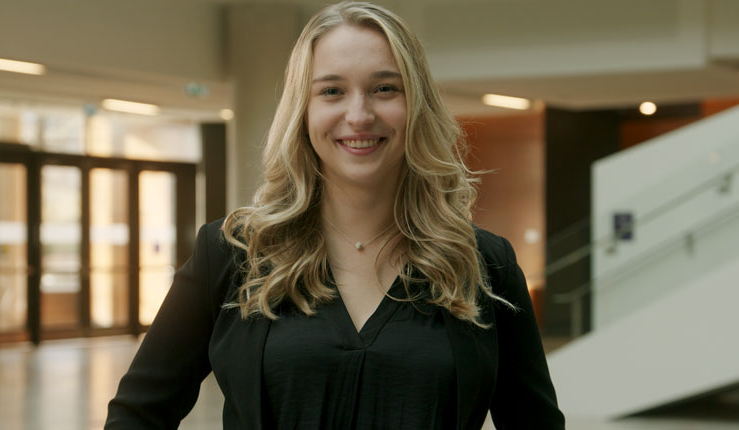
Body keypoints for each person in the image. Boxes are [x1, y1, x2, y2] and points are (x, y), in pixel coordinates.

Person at [105, 1, 564, 429]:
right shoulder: (232, 253)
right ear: (303, 111)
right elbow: (137, 416)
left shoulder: (484, 265)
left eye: (385, 89)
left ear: (416, 106)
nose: (359, 114)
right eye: (332, 91)